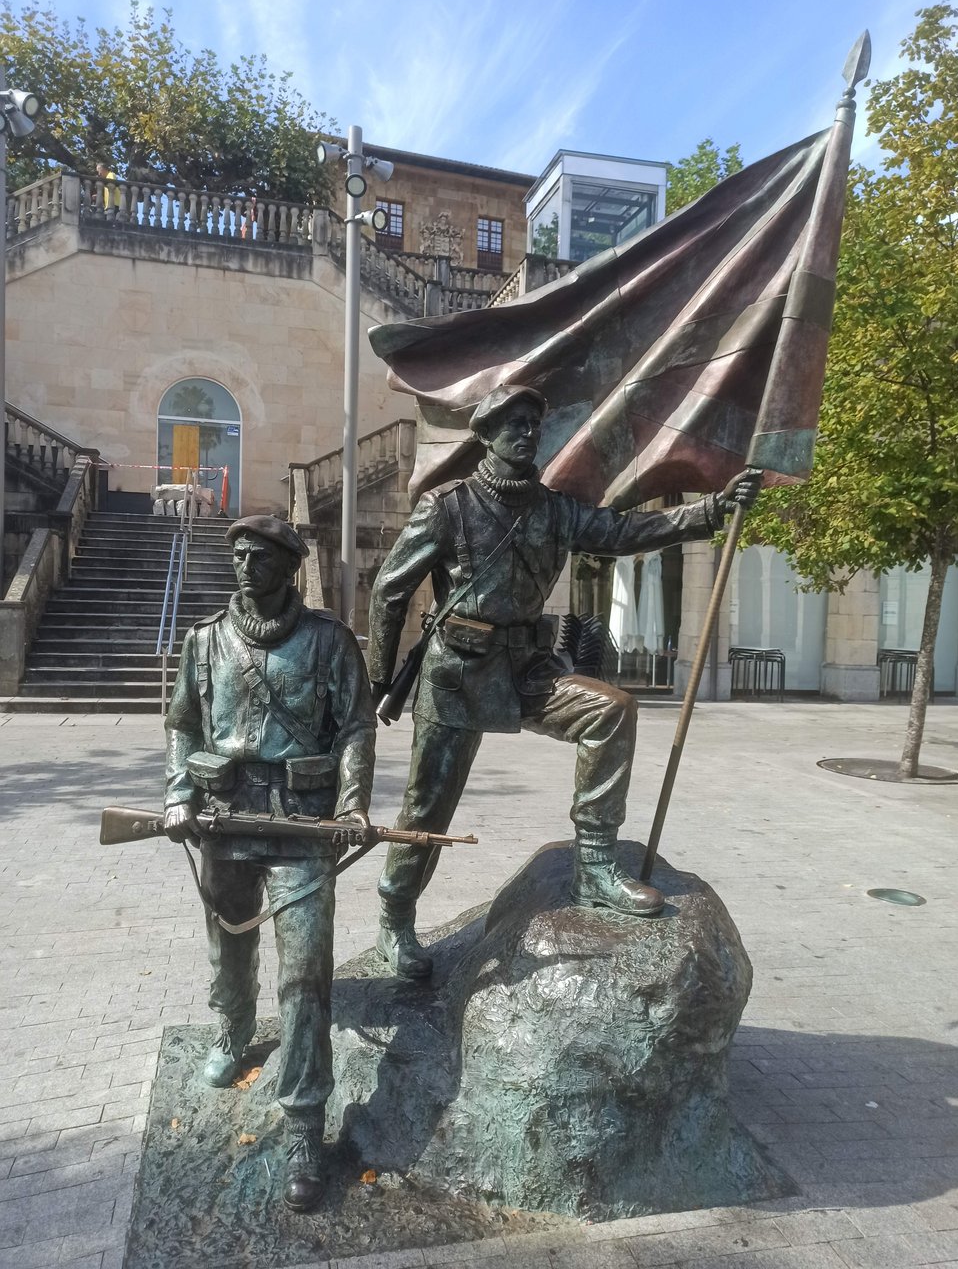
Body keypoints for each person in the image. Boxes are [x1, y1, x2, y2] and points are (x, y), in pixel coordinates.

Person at [367, 384, 761, 981]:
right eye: (513, 423)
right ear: (485, 434)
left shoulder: (554, 510)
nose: (527, 432)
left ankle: (596, 867)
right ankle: (395, 916)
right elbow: (389, 589)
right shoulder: (447, 506)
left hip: (529, 669)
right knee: (427, 807)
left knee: (611, 710)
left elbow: (622, 533)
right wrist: (378, 680)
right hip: (460, 674)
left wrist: (709, 511)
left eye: (533, 422)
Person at [164, 515, 376, 1212]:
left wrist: (352, 804)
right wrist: (178, 796)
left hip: (302, 824)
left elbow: (355, 726)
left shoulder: (328, 641)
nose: (245, 565)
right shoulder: (204, 641)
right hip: (224, 820)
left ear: (290, 566)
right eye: (238, 555)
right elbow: (182, 725)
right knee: (229, 945)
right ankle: (233, 1029)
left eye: (260, 556)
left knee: (305, 977)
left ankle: (303, 1127)